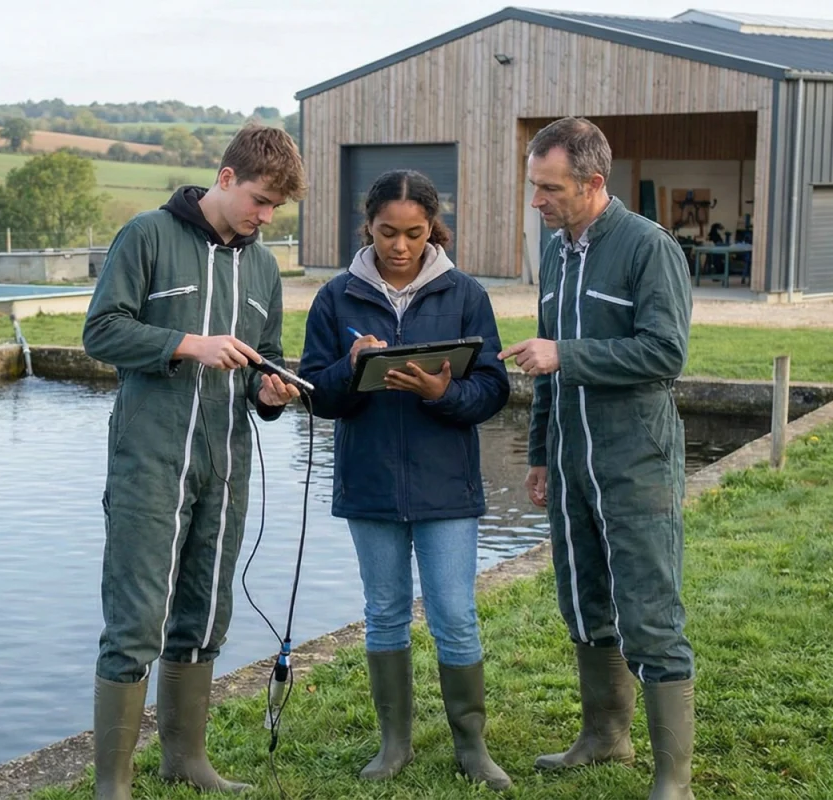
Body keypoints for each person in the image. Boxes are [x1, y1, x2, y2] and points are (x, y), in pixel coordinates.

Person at [81, 123, 305, 800]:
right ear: (228, 178)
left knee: (206, 613)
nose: (265, 218)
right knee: (136, 622)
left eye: (276, 210)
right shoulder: (146, 235)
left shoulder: (264, 267)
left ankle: (186, 762)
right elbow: (100, 331)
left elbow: (266, 362)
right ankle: (111, 785)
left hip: (226, 466)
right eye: (260, 201)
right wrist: (188, 343)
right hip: (150, 462)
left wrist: (271, 392)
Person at [499, 116, 696, 800]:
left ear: (592, 184)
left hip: (635, 461)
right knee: (583, 599)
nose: (536, 202)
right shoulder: (555, 252)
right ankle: (605, 736)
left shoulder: (649, 249)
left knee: (648, 608)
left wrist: (566, 355)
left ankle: (674, 777)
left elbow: (665, 354)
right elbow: (548, 359)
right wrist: (539, 452)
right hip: (570, 461)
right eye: (533, 186)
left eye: (549, 189)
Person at [297, 169, 513, 790]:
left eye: (414, 233)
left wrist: (444, 392)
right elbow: (318, 393)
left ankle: (472, 746)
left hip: (447, 486)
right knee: (385, 613)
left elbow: (492, 389)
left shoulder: (466, 293)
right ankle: (394, 744)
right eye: (388, 232)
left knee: (454, 613)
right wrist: (351, 365)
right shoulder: (335, 297)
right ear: (367, 226)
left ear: (431, 229)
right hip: (370, 484)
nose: (400, 246)